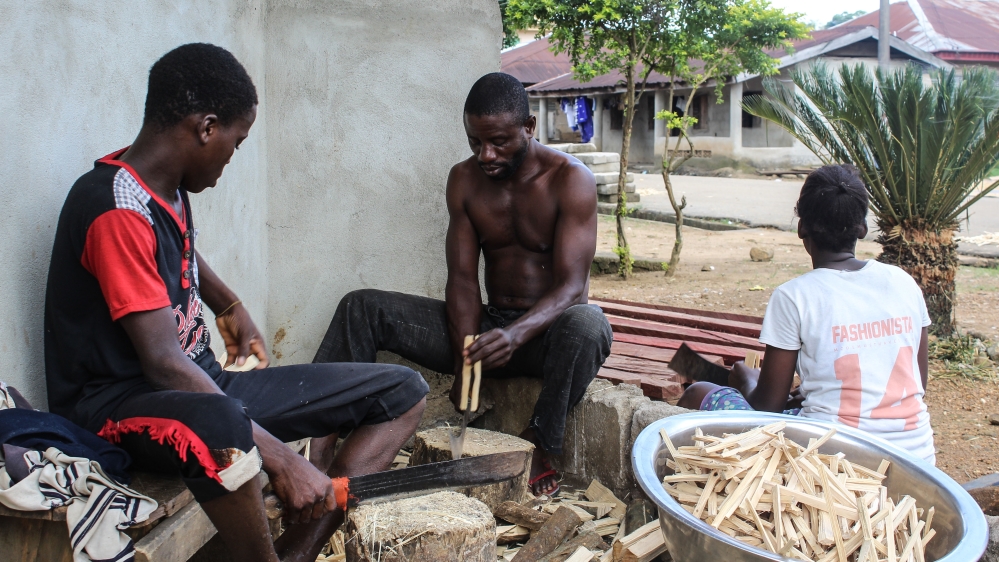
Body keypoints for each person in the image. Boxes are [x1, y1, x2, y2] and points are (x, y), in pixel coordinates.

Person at [44, 44, 428, 562]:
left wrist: (228, 303)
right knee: (224, 420)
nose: (232, 156)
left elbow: (179, 248)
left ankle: (297, 552)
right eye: (236, 140)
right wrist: (283, 462)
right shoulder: (113, 209)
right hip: (115, 407)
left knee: (402, 391)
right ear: (206, 128)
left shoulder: (163, 188)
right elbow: (161, 365)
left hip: (204, 390)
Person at [313, 72, 613, 496]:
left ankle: (539, 442)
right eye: (475, 142)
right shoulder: (465, 180)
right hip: (486, 335)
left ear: (529, 128)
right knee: (360, 306)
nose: (486, 154)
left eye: (499, 141)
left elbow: (570, 287)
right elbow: (463, 282)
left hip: (544, 338)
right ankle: (320, 441)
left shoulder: (570, 179)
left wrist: (515, 335)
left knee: (589, 323)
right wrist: (465, 361)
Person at [677, 165, 935, 464]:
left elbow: (768, 405)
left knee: (699, 391)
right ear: (862, 228)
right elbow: (919, 384)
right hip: (917, 462)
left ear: (801, 228)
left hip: (832, 466)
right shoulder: (903, 281)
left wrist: (745, 378)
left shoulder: (794, 296)